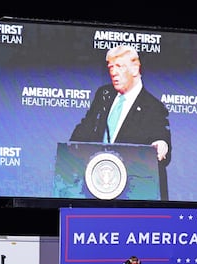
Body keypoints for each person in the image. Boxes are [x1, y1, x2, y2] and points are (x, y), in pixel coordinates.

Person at [70, 44, 172, 199]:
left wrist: (161, 145)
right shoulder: (103, 95)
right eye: (110, 67)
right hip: (95, 186)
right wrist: (72, 151)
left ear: (135, 69)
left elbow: (162, 140)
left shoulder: (153, 107)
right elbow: (83, 130)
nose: (113, 72)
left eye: (119, 66)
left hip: (130, 193)